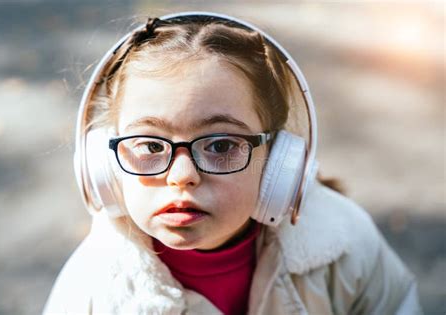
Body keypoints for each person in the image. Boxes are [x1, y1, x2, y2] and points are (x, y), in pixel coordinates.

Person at [43, 12, 422, 315]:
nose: (182, 176)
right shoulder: (93, 291)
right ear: (103, 165)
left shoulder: (343, 244)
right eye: (149, 145)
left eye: (221, 144)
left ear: (278, 162)